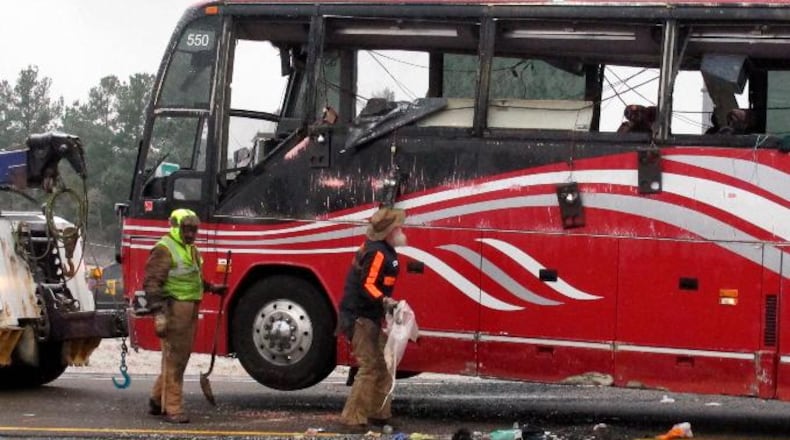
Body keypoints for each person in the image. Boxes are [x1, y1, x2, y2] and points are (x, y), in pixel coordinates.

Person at [141, 208, 227, 423]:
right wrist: (159, 314)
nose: (190, 234)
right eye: (186, 229)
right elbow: (151, 284)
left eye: (194, 230)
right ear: (176, 227)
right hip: (175, 309)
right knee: (176, 359)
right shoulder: (164, 249)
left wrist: (212, 288)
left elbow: (193, 278)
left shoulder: (191, 250)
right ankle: (173, 408)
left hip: (189, 307)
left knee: (178, 357)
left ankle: (156, 399)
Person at [338, 207, 407, 430]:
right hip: (360, 316)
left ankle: (379, 412)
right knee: (369, 365)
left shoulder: (381, 249)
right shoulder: (377, 252)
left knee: (385, 364)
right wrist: (385, 301)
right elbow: (367, 284)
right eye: (398, 226)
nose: (402, 230)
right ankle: (352, 416)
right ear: (389, 231)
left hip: (370, 315)